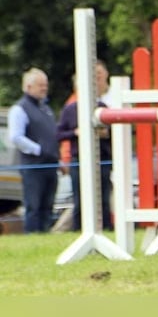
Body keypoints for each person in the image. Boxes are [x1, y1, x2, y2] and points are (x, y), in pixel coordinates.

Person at [56, 60, 114, 231]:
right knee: (79, 198)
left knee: (103, 197)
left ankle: (106, 228)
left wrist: (105, 133)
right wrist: (75, 133)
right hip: (78, 158)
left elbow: (113, 132)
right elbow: (59, 134)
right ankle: (77, 230)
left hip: (102, 158)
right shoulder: (69, 109)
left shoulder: (102, 107)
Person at [7, 68, 59, 233]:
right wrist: (39, 150)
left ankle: (44, 236)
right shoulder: (19, 109)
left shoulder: (46, 109)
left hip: (50, 164)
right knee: (33, 206)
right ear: (28, 87)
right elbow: (16, 137)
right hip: (33, 165)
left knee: (47, 206)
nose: (44, 88)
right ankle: (32, 236)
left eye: (45, 85)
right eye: (40, 85)